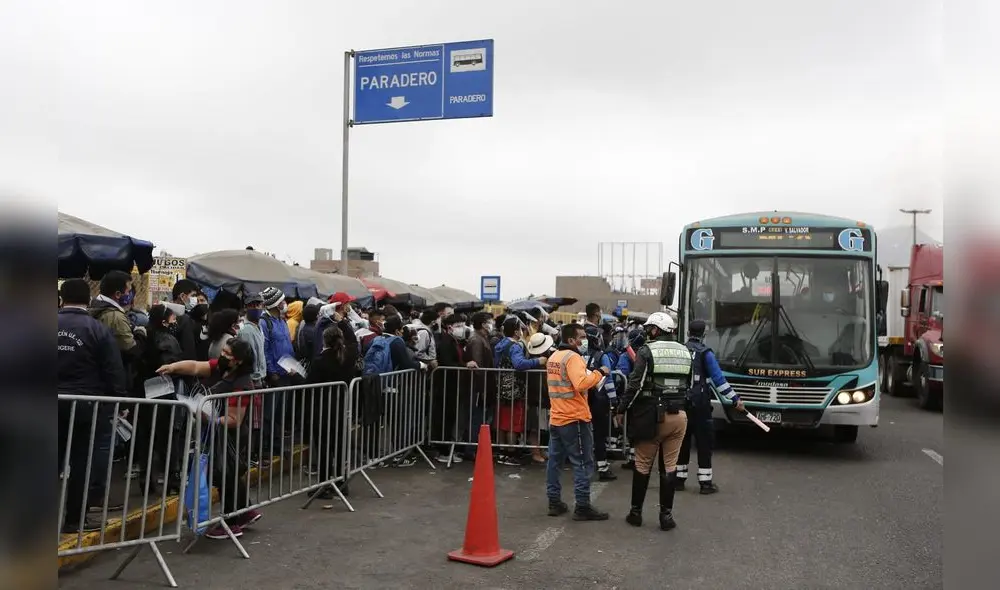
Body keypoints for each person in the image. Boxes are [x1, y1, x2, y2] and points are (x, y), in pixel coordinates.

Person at [156, 338, 263, 539]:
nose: (223, 355)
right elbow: (196, 367)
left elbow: (234, 419)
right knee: (229, 474)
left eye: (228, 354)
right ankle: (246, 511)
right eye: (223, 350)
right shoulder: (222, 368)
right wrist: (172, 367)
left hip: (231, 436)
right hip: (216, 433)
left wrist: (206, 416)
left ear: (238, 361)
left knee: (226, 475)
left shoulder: (242, 385)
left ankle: (231, 523)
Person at [58, 279, 128, 533]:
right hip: (86, 405)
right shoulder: (97, 330)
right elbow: (113, 370)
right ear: (88, 300)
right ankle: (75, 520)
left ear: (61, 298)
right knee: (81, 462)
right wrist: (118, 400)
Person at [614, 311, 690, 531]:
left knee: (643, 464)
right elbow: (688, 385)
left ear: (656, 330)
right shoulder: (685, 351)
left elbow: (635, 385)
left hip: (651, 416)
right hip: (679, 416)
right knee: (669, 466)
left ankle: (635, 513)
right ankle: (666, 516)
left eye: (649, 329)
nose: (647, 333)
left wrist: (621, 408)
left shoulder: (647, 350)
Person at [545, 323, 610, 521]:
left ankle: (554, 502)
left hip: (557, 417)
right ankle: (582, 506)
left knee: (554, 462)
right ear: (572, 339)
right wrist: (600, 372)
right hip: (574, 418)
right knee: (582, 462)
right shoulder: (573, 357)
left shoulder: (554, 356)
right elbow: (581, 383)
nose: (584, 342)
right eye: (581, 337)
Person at [676, 319, 745, 493]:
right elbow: (719, 380)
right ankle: (705, 483)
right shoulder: (706, 353)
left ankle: (678, 479)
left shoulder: (680, 350)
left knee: (682, 441)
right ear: (704, 334)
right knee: (704, 442)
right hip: (700, 405)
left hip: (681, 403)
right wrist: (735, 399)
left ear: (688, 332)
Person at [306, 326, 353, 500]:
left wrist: (295, 376)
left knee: (324, 447)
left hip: (323, 409)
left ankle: (324, 485)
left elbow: (310, 383)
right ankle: (342, 482)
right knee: (339, 445)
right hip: (342, 406)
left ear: (324, 340)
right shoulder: (346, 358)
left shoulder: (320, 361)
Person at [494, 316, 546, 466]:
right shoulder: (515, 346)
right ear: (517, 332)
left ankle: (502, 452)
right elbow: (519, 364)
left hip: (501, 387)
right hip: (515, 389)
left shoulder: (500, 344)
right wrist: (538, 361)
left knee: (502, 421)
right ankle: (511, 453)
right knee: (513, 423)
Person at [89, 270, 145, 393]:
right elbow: (130, 350)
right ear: (118, 294)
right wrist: (140, 334)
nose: (130, 294)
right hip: (112, 381)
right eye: (128, 291)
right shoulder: (115, 316)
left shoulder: (95, 307)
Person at [169, 279, 202, 360]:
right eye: (193, 295)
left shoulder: (164, 312)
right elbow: (189, 352)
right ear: (183, 296)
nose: (196, 300)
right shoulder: (185, 320)